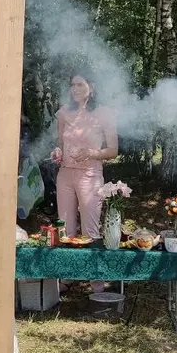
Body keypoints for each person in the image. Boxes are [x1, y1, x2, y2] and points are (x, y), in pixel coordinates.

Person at [51, 72, 118, 239]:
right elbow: (60, 142)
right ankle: (65, 265)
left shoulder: (104, 113)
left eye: (80, 84)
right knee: (64, 232)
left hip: (90, 176)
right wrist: (57, 151)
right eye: (72, 85)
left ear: (92, 87)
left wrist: (91, 153)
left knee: (90, 232)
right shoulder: (64, 112)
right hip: (65, 175)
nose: (75, 89)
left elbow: (113, 151)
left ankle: (91, 265)